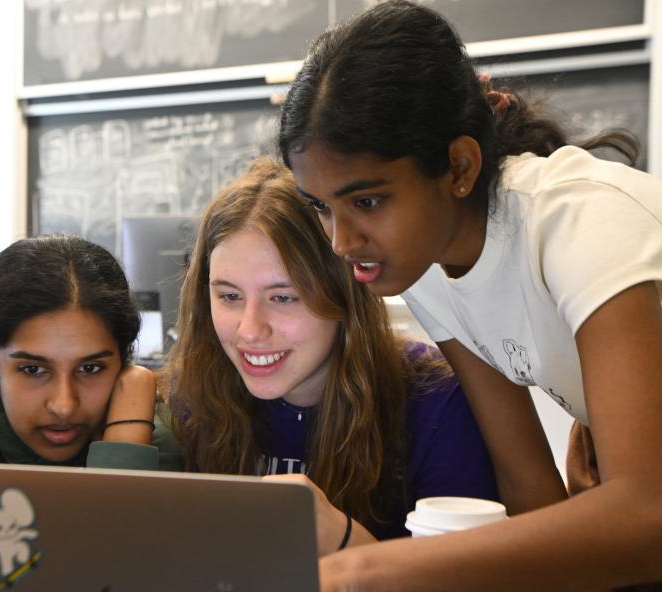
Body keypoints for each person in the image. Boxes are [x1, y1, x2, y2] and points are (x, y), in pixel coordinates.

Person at [277, 1, 662, 592]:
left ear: (458, 166)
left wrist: (360, 573)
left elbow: (648, 517)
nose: (341, 240)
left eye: (368, 201)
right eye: (321, 206)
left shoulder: (581, 225)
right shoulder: (427, 264)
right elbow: (526, 479)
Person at [167, 157, 499, 557]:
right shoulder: (197, 395)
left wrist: (340, 537)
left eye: (284, 297)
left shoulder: (436, 403)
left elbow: (469, 584)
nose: (250, 330)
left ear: (344, 293)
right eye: (230, 296)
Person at [0, 235, 182, 471]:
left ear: (122, 362)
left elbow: (118, 539)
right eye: (33, 370)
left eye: (90, 368)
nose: (64, 406)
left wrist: (125, 447)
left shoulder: (149, 440)